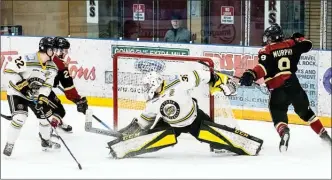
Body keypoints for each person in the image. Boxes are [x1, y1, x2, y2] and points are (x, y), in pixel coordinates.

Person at [107, 70, 264, 159]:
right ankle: (124, 148)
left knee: (217, 139)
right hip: (172, 125)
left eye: (148, 85)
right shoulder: (152, 104)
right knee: (151, 139)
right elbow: (142, 124)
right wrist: (125, 134)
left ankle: (247, 145)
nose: (146, 88)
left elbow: (204, 75)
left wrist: (223, 82)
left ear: (155, 83)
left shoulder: (178, 83)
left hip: (195, 119)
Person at [239, 24, 332, 152]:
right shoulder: (291, 44)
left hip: (277, 87)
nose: (267, 40)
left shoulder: (266, 50)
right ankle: (325, 136)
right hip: (294, 84)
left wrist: (252, 74)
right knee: (307, 113)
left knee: (278, 113)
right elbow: (308, 45)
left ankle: (284, 132)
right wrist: (298, 39)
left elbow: (263, 68)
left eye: (268, 38)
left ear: (272, 38)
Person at [3, 37, 61, 156]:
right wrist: (21, 85)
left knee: (45, 118)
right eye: (52, 50)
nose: (54, 53)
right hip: (17, 93)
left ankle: (45, 141)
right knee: (20, 118)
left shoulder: (53, 67)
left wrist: (41, 98)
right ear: (44, 49)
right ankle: (10, 143)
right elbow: (9, 71)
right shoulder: (27, 59)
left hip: (34, 95)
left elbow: (47, 85)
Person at [50, 36, 88, 133]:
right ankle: (47, 131)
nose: (65, 53)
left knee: (53, 105)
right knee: (59, 110)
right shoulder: (61, 64)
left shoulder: (43, 55)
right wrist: (77, 99)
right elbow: (68, 87)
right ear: (57, 50)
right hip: (40, 91)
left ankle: (56, 121)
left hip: (27, 88)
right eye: (64, 51)